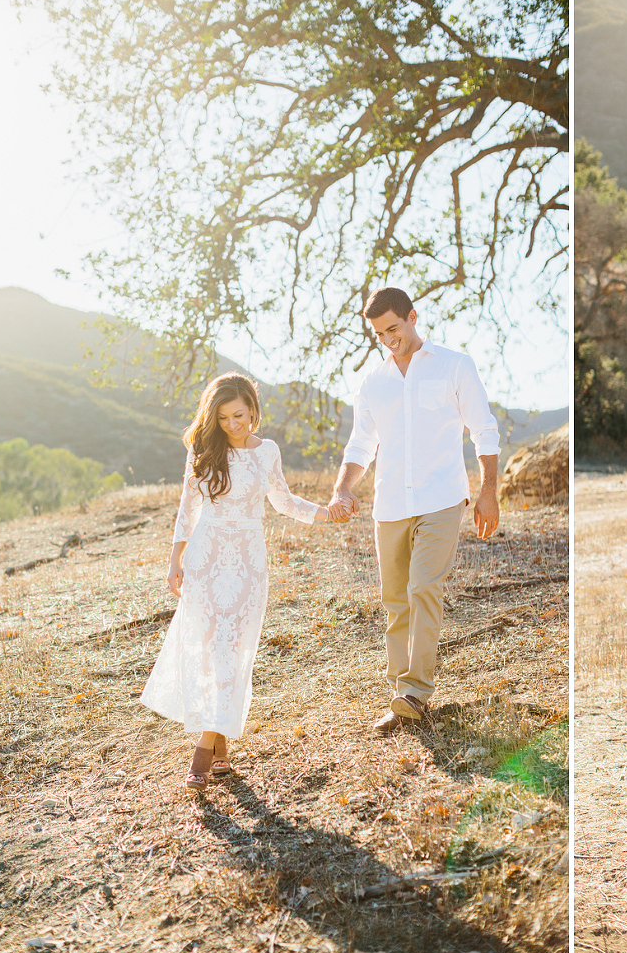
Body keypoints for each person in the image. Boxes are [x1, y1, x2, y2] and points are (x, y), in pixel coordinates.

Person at [141, 372, 332, 793]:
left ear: (252, 407)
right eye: (224, 417)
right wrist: (176, 556)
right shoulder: (202, 448)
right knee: (211, 649)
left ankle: (202, 754)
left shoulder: (267, 452)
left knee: (232, 650)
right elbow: (187, 507)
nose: (232, 425)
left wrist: (325, 512)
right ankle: (220, 751)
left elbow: (283, 501)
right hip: (206, 555)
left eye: (239, 415)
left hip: (247, 559)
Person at [326, 287, 500, 733]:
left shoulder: (454, 365)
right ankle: (401, 694)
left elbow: (483, 429)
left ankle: (416, 692)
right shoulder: (373, 382)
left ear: (413, 317)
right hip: (391, 504)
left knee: (424, 588)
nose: (388, 339)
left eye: (394, 329)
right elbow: (361, 444)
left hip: (442, 497)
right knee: (395, 602)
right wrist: (342, 489)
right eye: (379, 333)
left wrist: (489, 491)